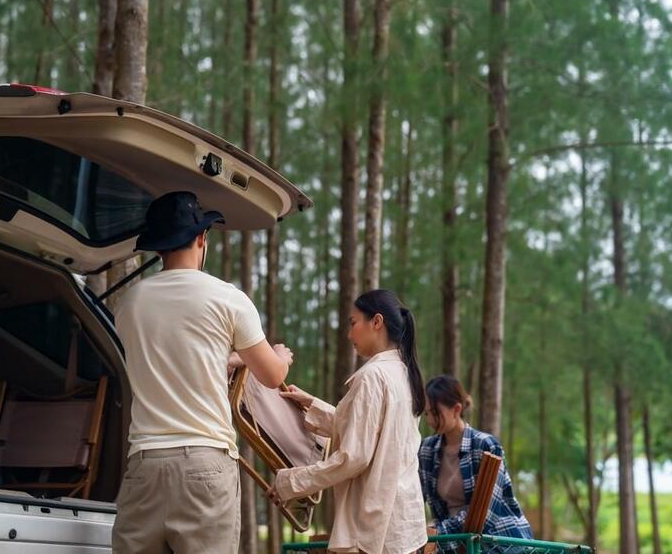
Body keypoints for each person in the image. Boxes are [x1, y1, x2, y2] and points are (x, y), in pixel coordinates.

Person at [111, 190, 294, 554]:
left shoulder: (128, 303)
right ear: (201, 238)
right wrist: (280, 355)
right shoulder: (227, 299)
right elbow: (272, 376)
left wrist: (228, 360)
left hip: (144, 465)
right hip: (204, 464)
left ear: (159, 247)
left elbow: (169, 357)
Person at [270, 289, 428, 554]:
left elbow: (354, 456)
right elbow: (371, 432)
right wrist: (313, 405)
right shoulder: (403, 372)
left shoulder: (373, 376)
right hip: (402, 524)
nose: (349, 334)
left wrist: (290, 483)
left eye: (354, 323)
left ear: (376, 322)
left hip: (375, 526)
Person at [418, 375, 533, 546]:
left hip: (498, 540)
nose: (430, 420)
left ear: (456, 409)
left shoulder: (485, 446)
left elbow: (486, 513)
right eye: (427, 413)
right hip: (455, 543)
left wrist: (438, 531)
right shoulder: (427, 449)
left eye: (436, 413)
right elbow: (417, 498)